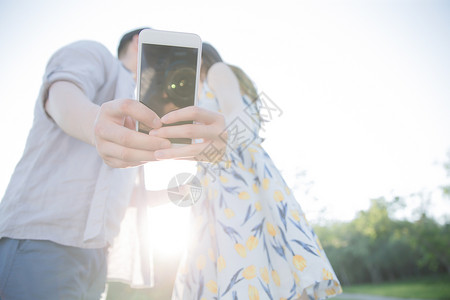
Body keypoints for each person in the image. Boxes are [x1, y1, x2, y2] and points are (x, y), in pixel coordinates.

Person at [0, 29, 226, 299]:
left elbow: (121, 198)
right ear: (138, 41)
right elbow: (60, 93)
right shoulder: (96, 54)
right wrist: (93, 123)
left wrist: (173, 194)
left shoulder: (135, 115)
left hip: (96, 258)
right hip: (41, 237)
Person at [166, 43, 343, 300]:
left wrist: (213, 150)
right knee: (242, 261)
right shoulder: (203, 87)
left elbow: (242, 122)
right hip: (218, 181)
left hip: (233, 181)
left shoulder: (217, 70)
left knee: (241, 257)